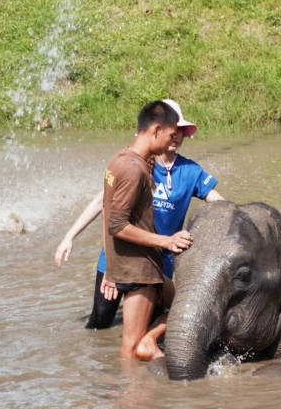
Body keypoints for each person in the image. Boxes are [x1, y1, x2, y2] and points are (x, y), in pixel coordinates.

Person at [55, 100, 224, 339]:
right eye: (173, 131)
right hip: (118, 258)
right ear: (158, 130)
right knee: (99, 326)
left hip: (156, 263)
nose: (177, 137)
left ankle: (141, 355)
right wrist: (69, 237)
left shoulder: (191, 171)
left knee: (147, 327)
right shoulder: (138, 163)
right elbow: (103, 205)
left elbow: (219, 204)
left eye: (181, 132)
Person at [96, 101, 194, 360]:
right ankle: (132, 396)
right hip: (139, 269)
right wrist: (166, 241)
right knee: (130, 348)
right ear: (156, 130)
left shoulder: (121, 159)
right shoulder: (133, 169)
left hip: (138, 266)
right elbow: (116, 224)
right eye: (172, 135)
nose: (173, 142)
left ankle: (149, 343)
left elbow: (108, 212)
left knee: (189, 302)